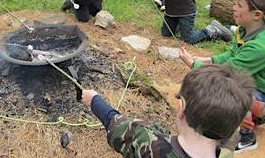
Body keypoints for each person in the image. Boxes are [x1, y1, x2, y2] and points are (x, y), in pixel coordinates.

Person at [179, 0, 265, 152]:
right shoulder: (244, 31)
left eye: (239, 5)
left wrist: (193, 64)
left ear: (257, 15)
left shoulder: (260, 48)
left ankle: (247, 137)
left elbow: (227, 73)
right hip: (263, 94)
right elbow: (231, 57)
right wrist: (207, 60)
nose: (233, 7)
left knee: (231, 89)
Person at [81, 64, 255, 158]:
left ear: (181, 109)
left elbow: (116, 124)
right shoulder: (227, 150)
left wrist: (94, 99)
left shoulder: (149, 141)